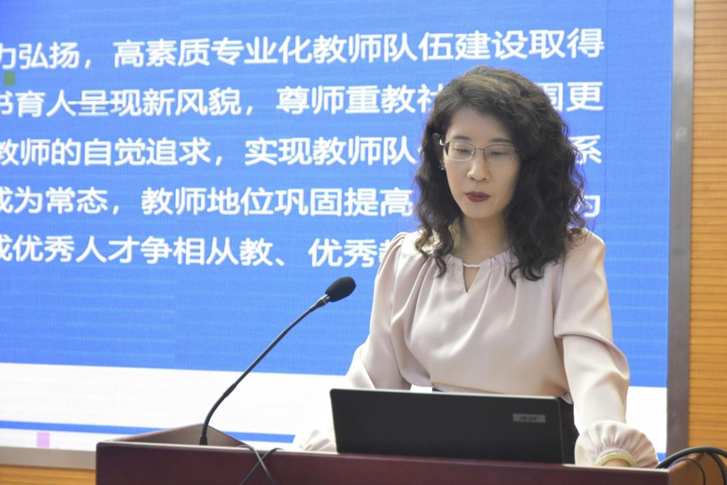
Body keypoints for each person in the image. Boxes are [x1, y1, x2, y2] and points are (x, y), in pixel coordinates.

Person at [294, 66, 658, 468]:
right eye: (462, 149)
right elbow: (371, 383)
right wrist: (312, 454)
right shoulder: (411, 257)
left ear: (530, 163)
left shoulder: (570, 256)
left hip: (540, 466)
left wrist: (610, 458)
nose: (476, 172)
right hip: (435, 465)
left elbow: (594, 375)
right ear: (441, 153)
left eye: (498, 152)